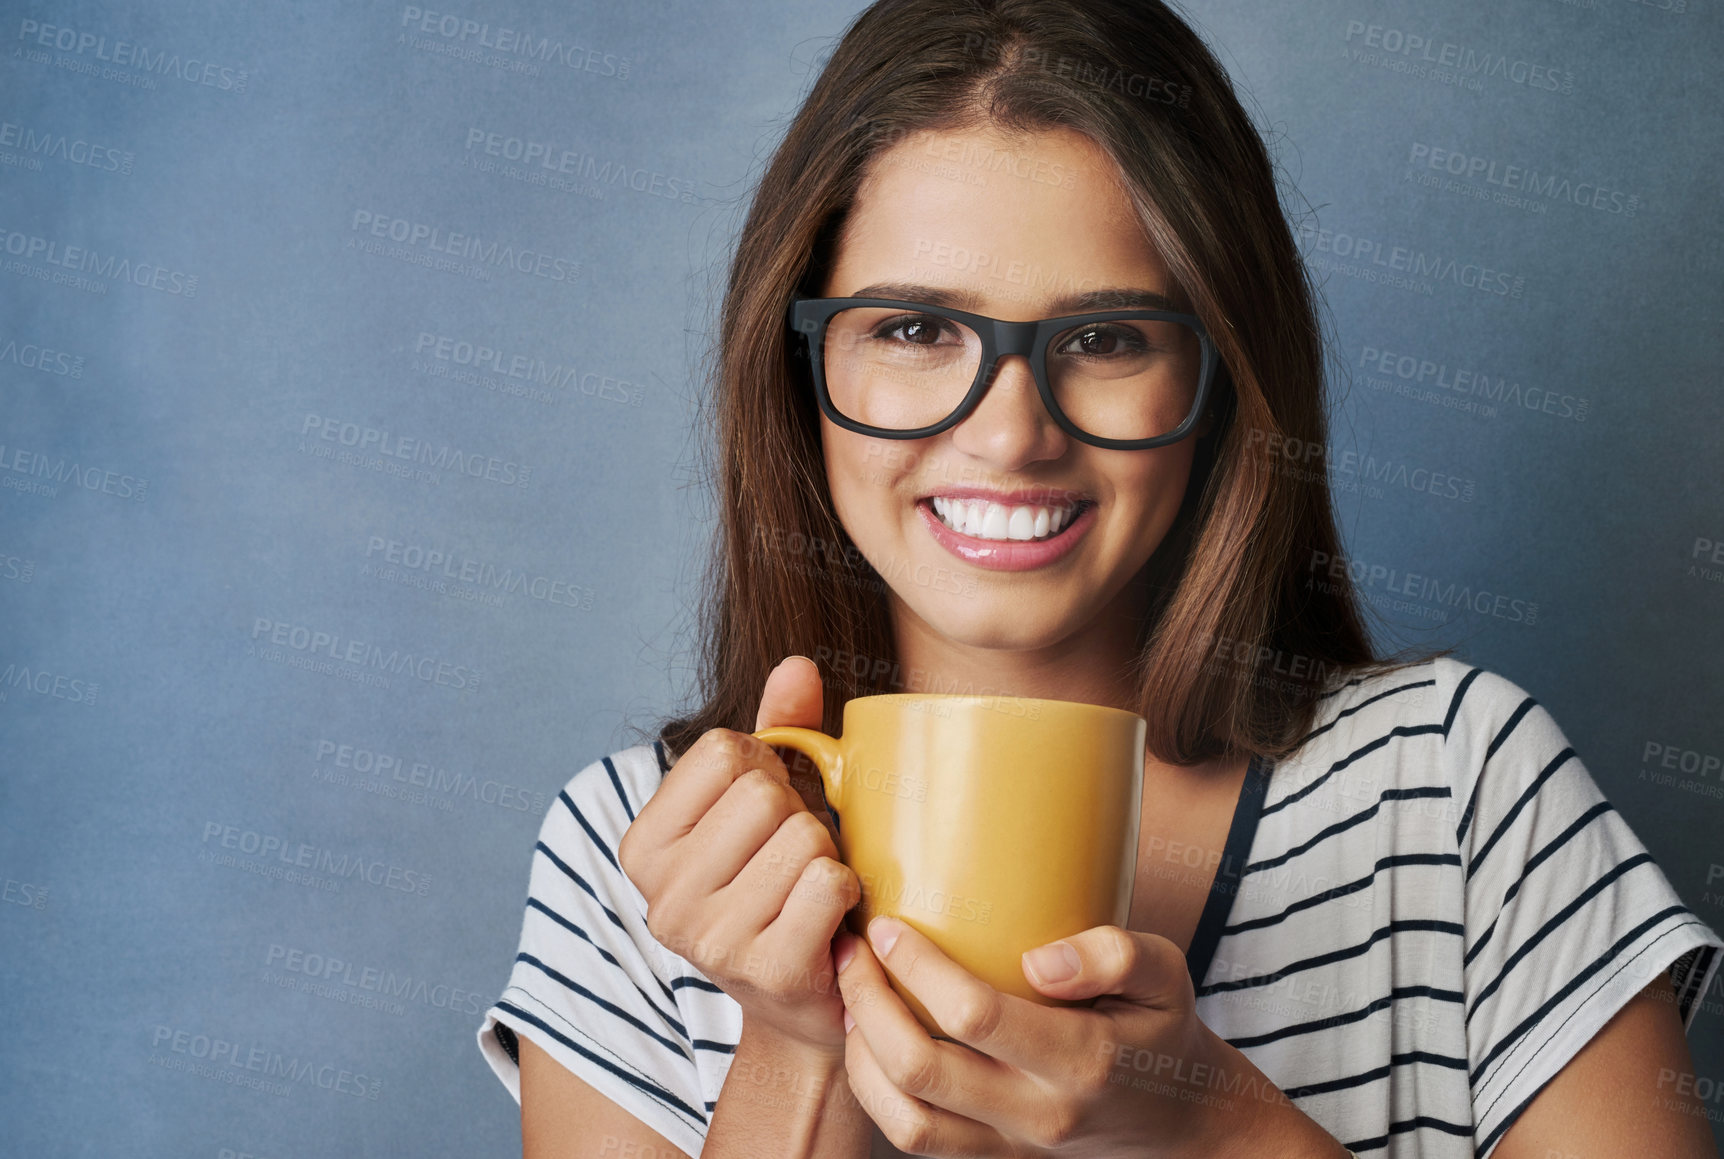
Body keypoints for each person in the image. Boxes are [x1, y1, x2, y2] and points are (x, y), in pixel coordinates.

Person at [474, 1, 1723, 1155]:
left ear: (1219, 377)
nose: (1011, 432)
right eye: (914, 329)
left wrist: (1214, 1134)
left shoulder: (1456, 791)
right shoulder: (638, 857)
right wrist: (798, 1051)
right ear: (800, 368)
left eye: (1107, 337)